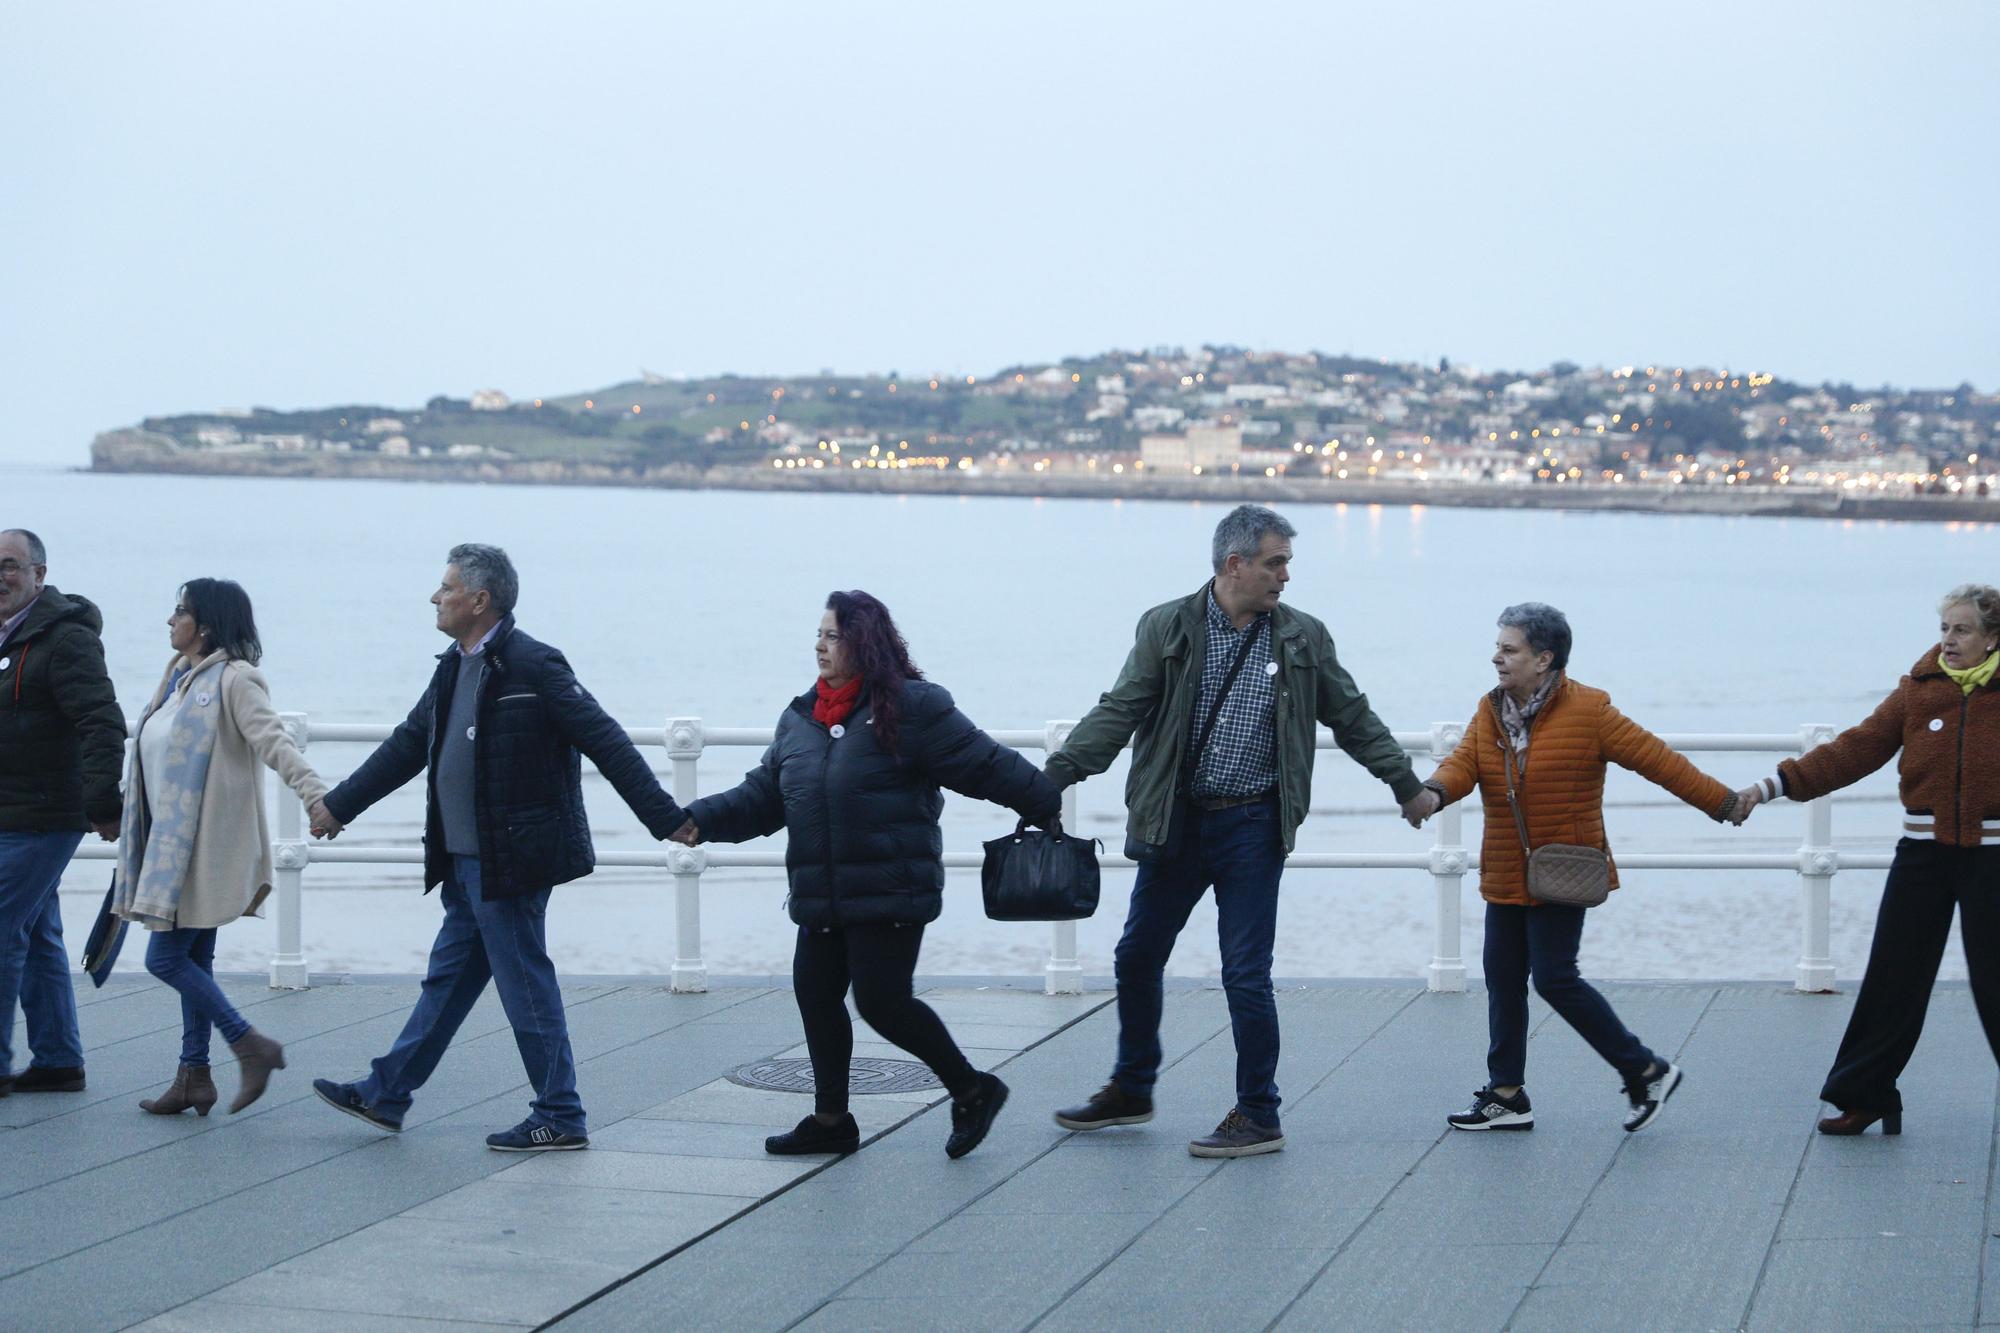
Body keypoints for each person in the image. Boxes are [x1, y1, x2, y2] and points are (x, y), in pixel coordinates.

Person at [1044, 504, 1430, 1158]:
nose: (1285, 576)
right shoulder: (1168, 626)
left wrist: (1404, 782)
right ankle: (1132, 1086)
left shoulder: (1303, 637)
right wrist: (1051, 777)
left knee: (1245, 973)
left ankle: (1259, 1112)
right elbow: (1120, 710)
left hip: (1254, 824)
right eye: (1275, 562)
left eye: (1286, 563)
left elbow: (1353, 716)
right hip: (1177, 822)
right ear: (1235, 563)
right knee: (1136, 956)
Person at [307, 544, 692, 1151]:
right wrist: (339, 805)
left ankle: (561, 1114)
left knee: (525, 986)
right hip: (464, 861)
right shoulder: (452, 666)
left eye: (446, 588)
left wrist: (665, 817)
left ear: (479, 600)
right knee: (449, 980)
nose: (435, 597)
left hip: (512, 861)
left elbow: (605, 740)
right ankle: (387, 1092)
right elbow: (409, 745)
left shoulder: (534, 665)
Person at [675, 591, 1061, 1160]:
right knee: (815, 992)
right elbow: (763, 796)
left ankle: (972, 1088)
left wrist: (1039, 797)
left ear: (862, 640)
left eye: (831, 636)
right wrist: (697, 820)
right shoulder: (801, 717)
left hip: (891, 886)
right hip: (823, 891)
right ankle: (831, 1119)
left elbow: (980, 761)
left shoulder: (911, 707)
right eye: (819, 635)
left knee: (882, 1001)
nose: (819, 646)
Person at [1407, 602, 1742, 1134]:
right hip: (1506, 870)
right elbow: (1464, 765)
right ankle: (1506, 1095)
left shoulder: (1590, 711)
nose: (1496, 657)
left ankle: (1645, 1068)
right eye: (1498, 646)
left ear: (1544, 659)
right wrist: (1431, 794)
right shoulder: (1490, 709)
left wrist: (1723, 803)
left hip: (1564, 868)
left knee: (1556, 979)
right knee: (1503, 976)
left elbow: (1658, 760)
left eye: (1508, 648)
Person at [1733, 583, 2000, 1136]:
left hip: (1994, 859)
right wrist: (1771, 786)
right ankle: (1867, 1093)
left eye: (1962, 630)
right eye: (1944, 628)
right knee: (1892, 977)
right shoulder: (1919, 691)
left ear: (1992, 637)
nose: (1948, 640)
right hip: (1922, 855)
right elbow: (1855, 749)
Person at [116, 580, 322, 1115]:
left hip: (201, 853)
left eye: (179, 611)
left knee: (164, 959)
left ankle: (249, 1044)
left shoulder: (234, 680)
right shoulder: (175, 680)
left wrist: (316, 797)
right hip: (168, 848)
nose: (169, 620)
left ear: (204, 624)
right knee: (194, 961)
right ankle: (194, 1077)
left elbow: (276, 743)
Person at [0, 528, 124, 1098]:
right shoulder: (7, 639)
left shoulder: (65, 640)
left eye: (10, 566)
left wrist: (103, 802)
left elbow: (100, 722)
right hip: (11, 811)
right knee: (39, 932)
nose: (1, 577)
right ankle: (57, 1061)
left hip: (46, 815)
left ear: (38, 574)